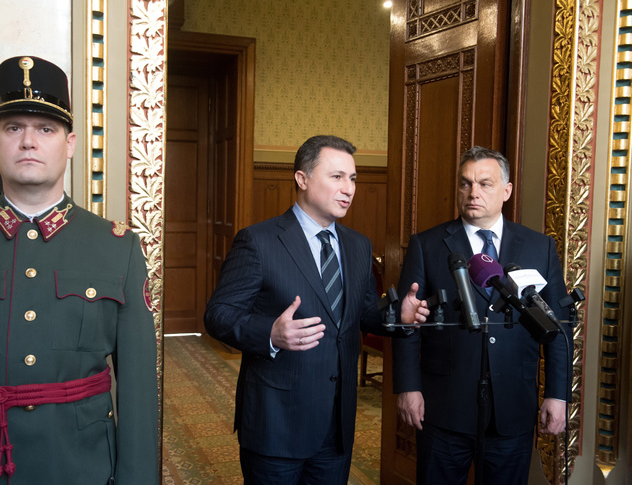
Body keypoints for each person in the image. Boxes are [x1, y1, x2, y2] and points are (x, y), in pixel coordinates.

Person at [0, 56, 159, 484]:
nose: (28, 141)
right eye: (13, 127)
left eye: (46, 129)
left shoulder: (118, 247)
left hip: (79, 467)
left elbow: (137, 392)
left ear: (71, 143)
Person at [204, 135, 428, 485]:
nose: (349, 189)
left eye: (353, 179)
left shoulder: (357, 245)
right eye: (337, 177)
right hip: (276, 424)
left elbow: (364, 312)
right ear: (302, 179)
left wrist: (397, 316)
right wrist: (270, 334)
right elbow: (218, 315)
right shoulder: (259, 241)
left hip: (336, 426)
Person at [392, 146, 573, 485]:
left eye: (485, 184)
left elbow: (559, 325)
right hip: (443, 406)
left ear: (506, 190)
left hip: (512, 409)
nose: (473, 192)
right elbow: (407, 322)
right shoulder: (427, 245)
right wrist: (408, 386)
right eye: (465, 184)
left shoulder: (539, 247)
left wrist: (557, 394)